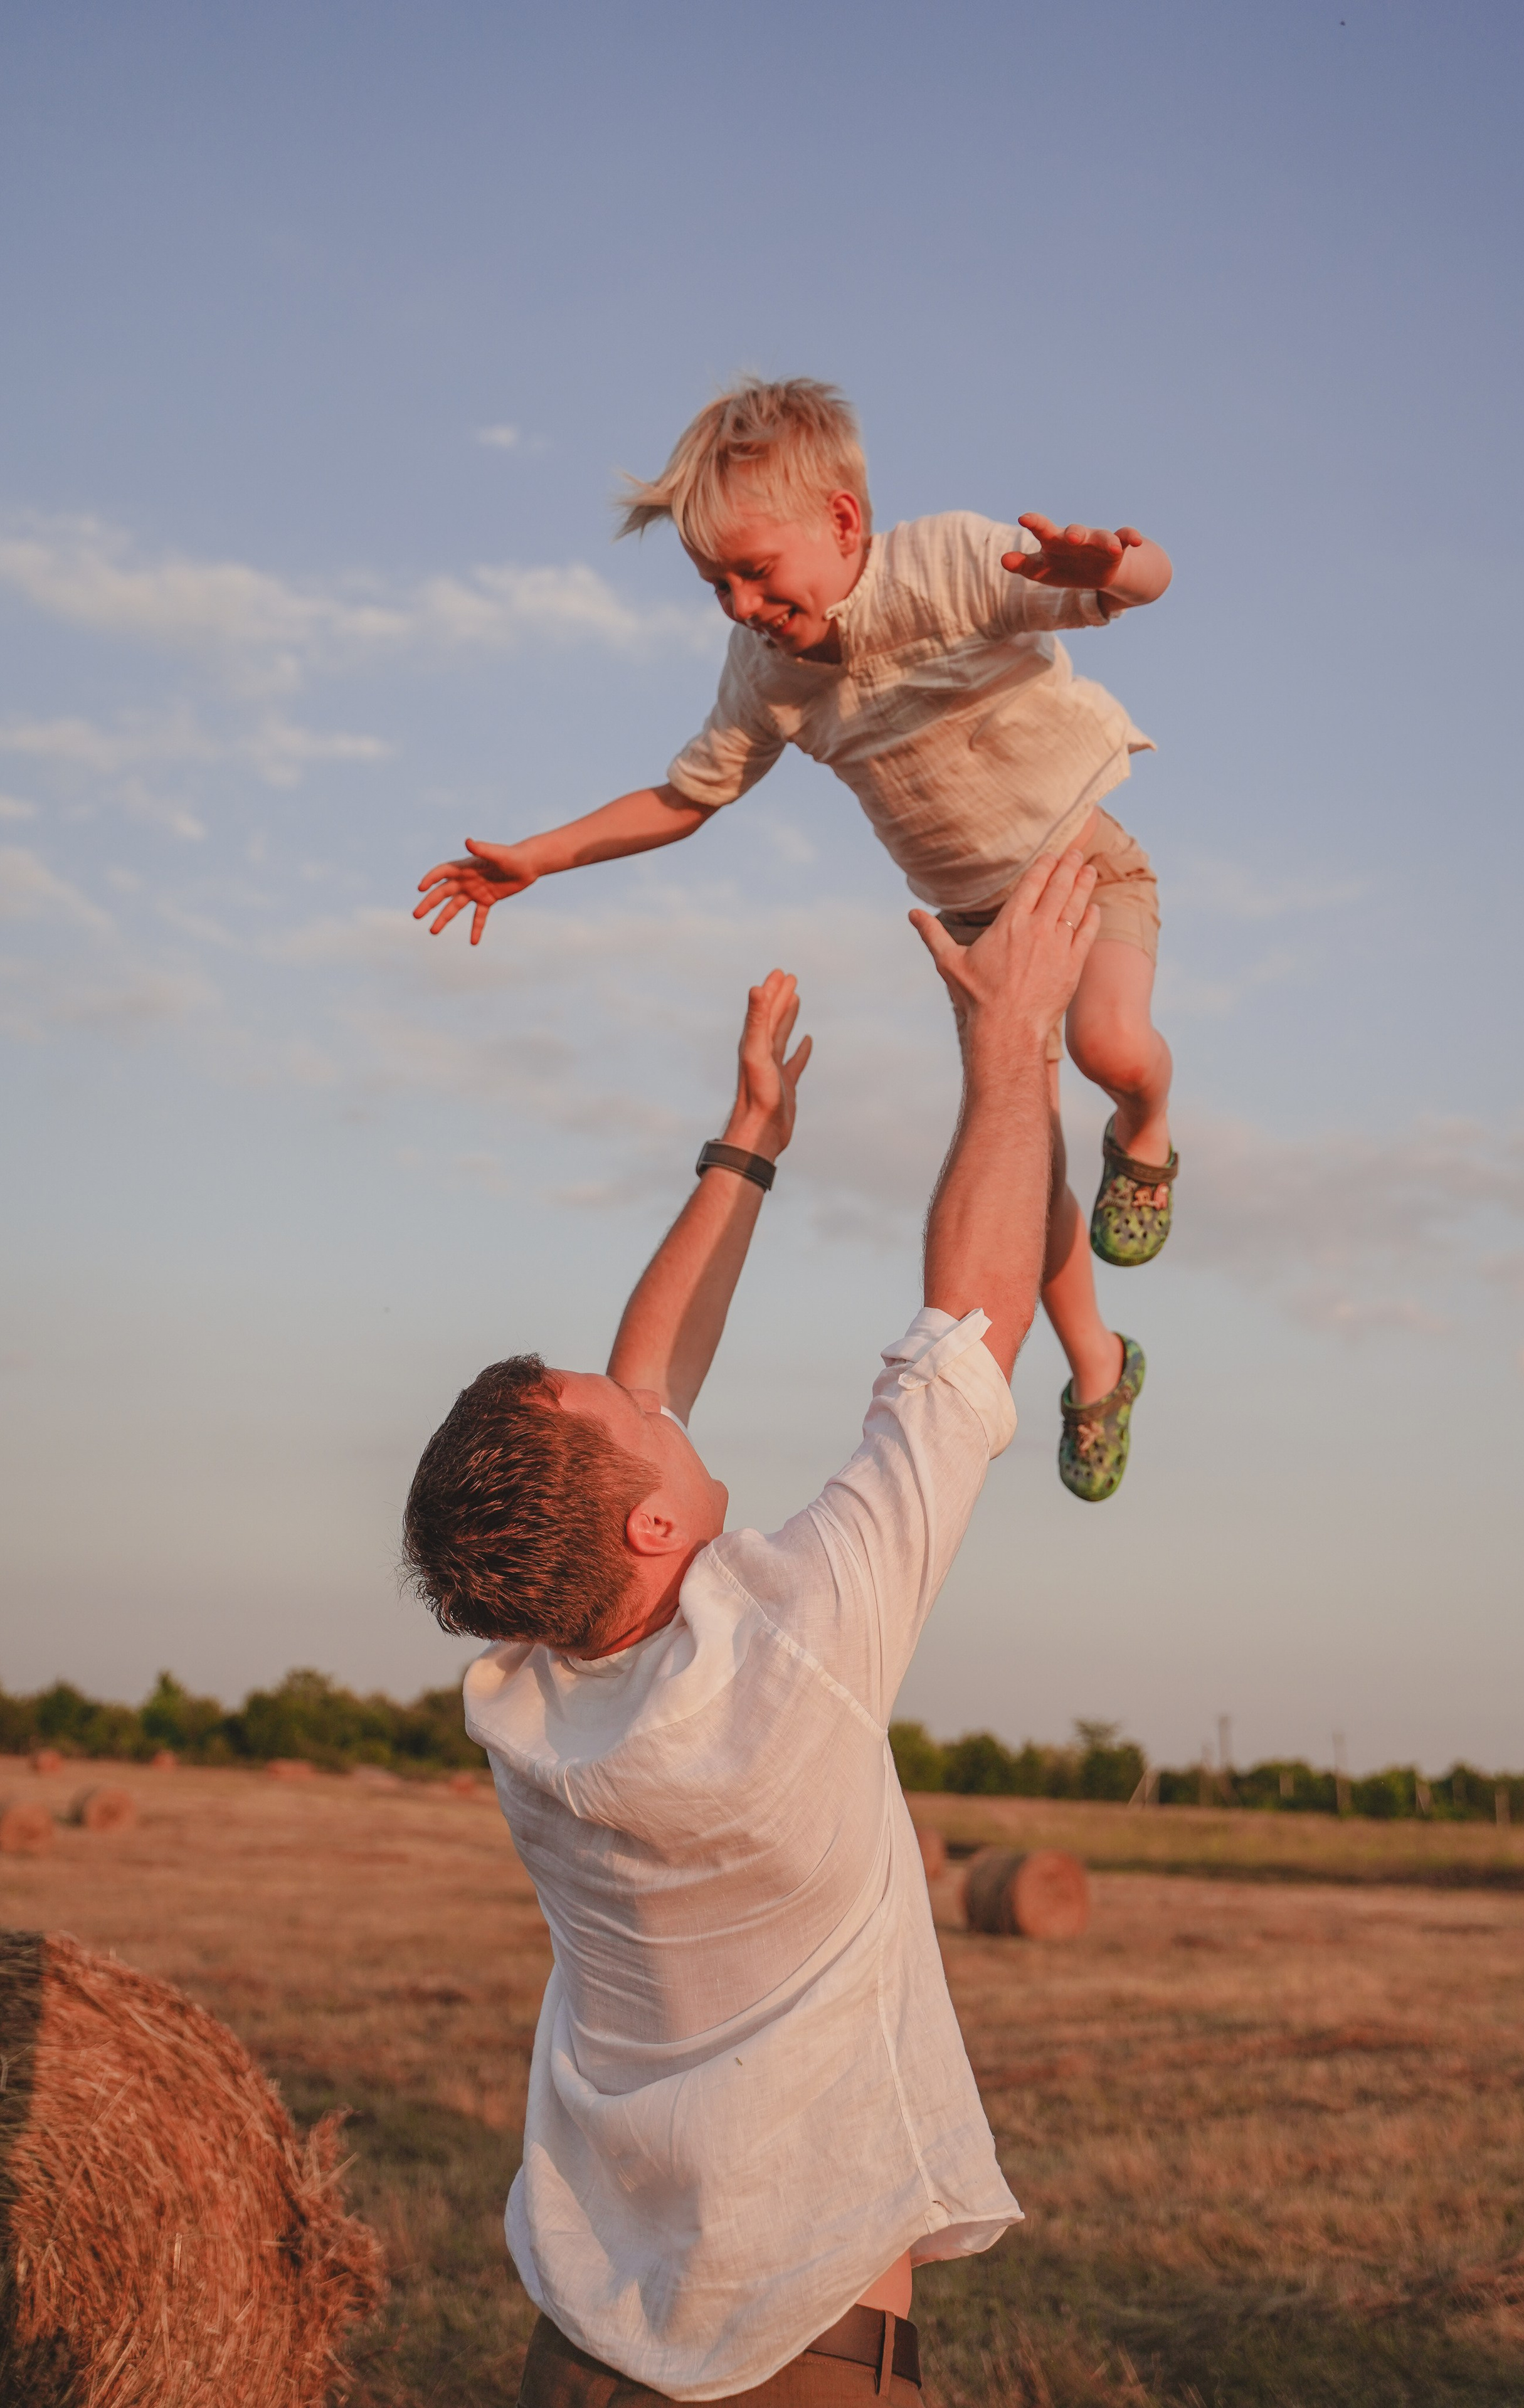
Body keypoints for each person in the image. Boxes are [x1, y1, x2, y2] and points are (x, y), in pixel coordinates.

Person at [401, 851, 1102, 2405]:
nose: (639, 1390)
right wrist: (1010, 1049)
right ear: (650, 1532)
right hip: (801, 2366)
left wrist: (745, 1147)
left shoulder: (526, 1699)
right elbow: (967, 1329)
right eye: (617, 1413)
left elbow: (643, 1385)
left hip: (587, 2347)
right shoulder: (796, 1654)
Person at [413, 378, 1177, 1502]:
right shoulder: (767, 674)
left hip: (1085, 867)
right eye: (715, 585)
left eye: (755, 572)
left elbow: (1145, 584)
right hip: (978, 934)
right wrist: (543, 855)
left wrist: (1111, 566)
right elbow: (687, 797)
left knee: (1111, 1050)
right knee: (1027, 1164)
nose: (738, 603)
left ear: (843, 522)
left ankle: (1147, 1132)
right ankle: (1099, 1363)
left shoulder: (953, 564)